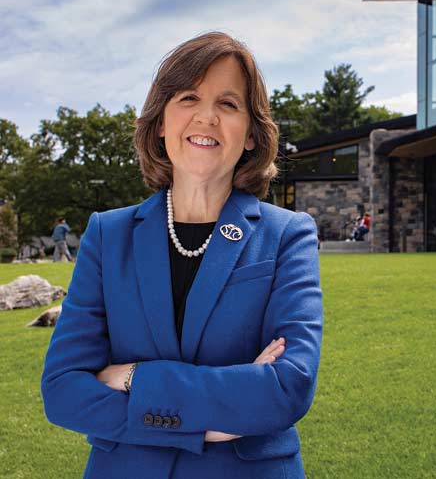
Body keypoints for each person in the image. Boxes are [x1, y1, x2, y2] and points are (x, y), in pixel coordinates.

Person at [40, 32, 323, 478]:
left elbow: (288, 387)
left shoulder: (288, 235)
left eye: (228, 104)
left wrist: (133, 378)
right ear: (160, 123)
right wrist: (209, 422)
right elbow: (62, 390)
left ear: (250, 133)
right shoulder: (107, 235)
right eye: (189, 97)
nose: (206, 117)